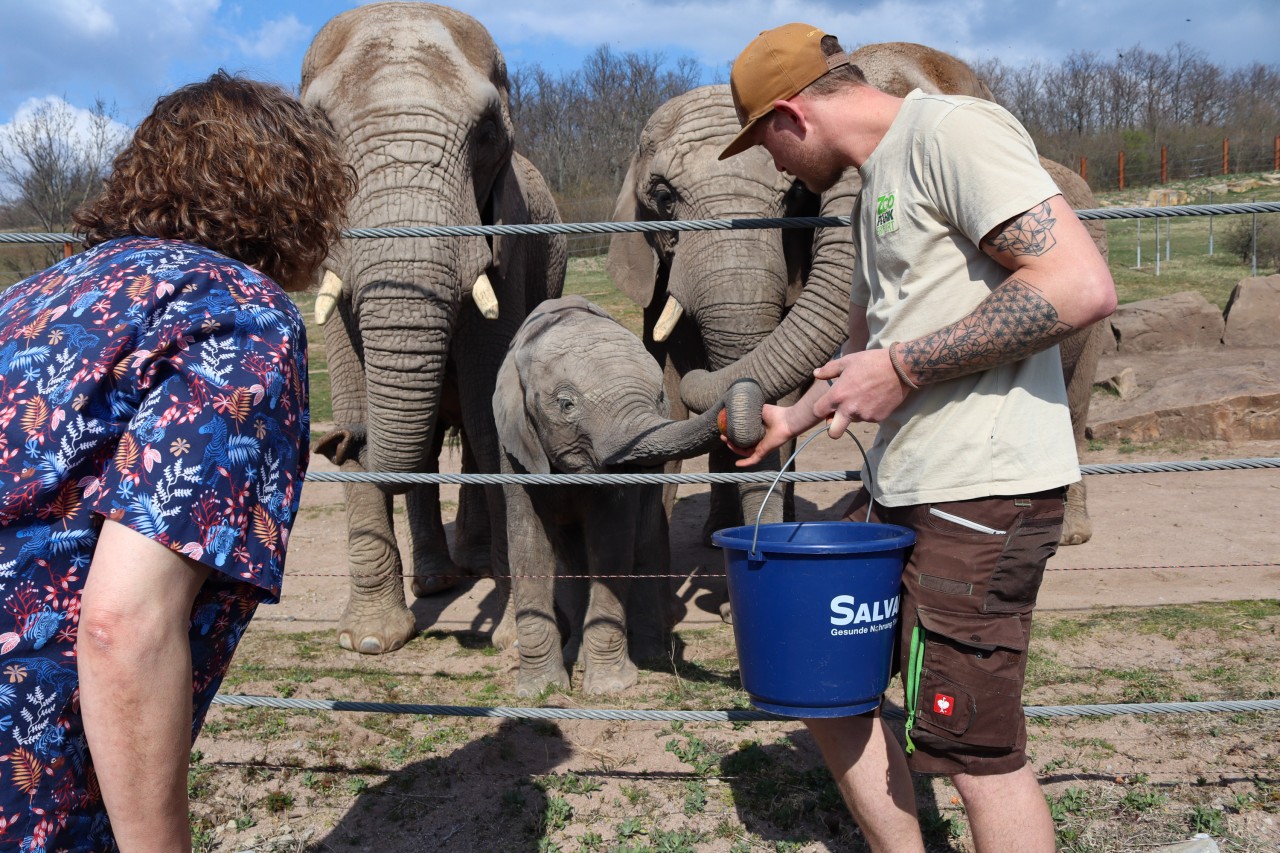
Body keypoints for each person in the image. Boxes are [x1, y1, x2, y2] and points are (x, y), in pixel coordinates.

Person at [719, 23, 1117, 853]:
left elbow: (1077, 284)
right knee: (823, 682)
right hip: (905, 487)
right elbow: (868, 345)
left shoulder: (951, 133)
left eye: (764, 145)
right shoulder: (874, 185)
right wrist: (795, 416)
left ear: (792, 116)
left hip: (985, 492)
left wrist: (902, 368)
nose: (772, 166)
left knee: (974, 749)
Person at [0, 72, 355, 851]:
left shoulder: (31, 299)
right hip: (34, 785)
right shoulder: (237, 313)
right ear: (297, 201)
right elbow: (124, 621)